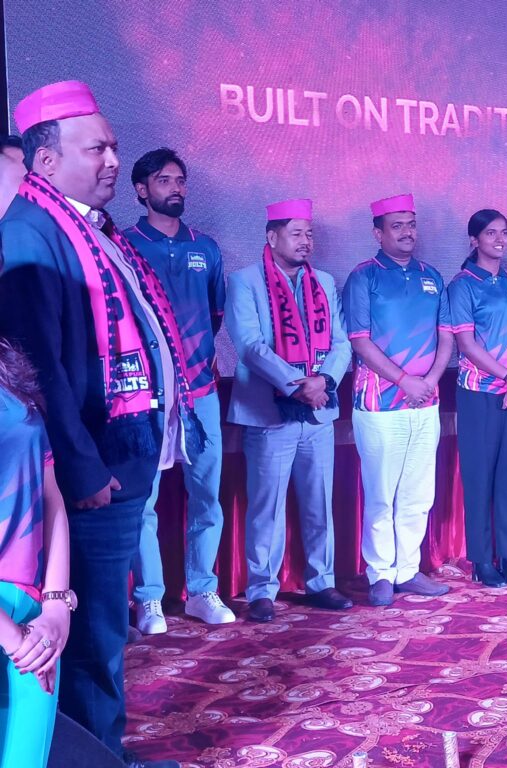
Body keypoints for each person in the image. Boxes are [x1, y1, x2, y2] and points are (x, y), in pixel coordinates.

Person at [0, 80, 191, 767]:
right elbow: (38, 370)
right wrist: (83, 472)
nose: (113, 159)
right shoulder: (31, 232)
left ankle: (106, 753)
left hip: (119, 457)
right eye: (96, 149)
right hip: (91, 474)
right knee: (89, 640)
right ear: (46, 161)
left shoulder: (88, 226)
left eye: (114, 146)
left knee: (104, 629)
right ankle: (98, 757)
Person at [225, 198, 352, 623]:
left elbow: (341, 342)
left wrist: (325, 381)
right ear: (272, 236)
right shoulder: (245, 282)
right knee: (267, 507)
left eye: (309, 234)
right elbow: (250, 346)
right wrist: (299, 387)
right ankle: (262, 589)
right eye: (296, 233)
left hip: (319, 411)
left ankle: (321, 581)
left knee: (319, 503)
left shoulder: (324, 282)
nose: (305, 241)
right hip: (269, 413)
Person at [125, 148, 233, 632]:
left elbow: (215, 314)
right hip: (147, 396)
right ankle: (148, 598)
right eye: (164, 180)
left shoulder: (204, 247)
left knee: (207, 495)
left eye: (180, 180)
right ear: (141, 190)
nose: (176, 188)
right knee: (143, 500)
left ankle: (202, 590)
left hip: (200, 392)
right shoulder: (125, 245)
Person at [343, 194, 454, 607]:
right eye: (397, 226)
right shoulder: (364, 277)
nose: (407, 232)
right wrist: (405, 380)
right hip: (380, 405)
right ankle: (380, 573)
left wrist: (430, 381)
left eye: (411, 224)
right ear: (379, 233)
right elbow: (360, 341)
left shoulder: (431, 276)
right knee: (381, 493)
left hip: (425, 401)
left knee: (418, 493)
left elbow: (446, 336)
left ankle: (407, 569)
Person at [447, 209, 507, 587]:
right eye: (491, 233)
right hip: (479, 395)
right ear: (474, 240)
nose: (499, 239)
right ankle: (482, 561)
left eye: (504, 232)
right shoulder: (463, 285)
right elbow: (467, 344)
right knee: (479, 478)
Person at [0, 334, 72, 767]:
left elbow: (50, 495)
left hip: (29, 608)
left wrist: (56, 604)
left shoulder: (8, 368)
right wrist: (14, 640)